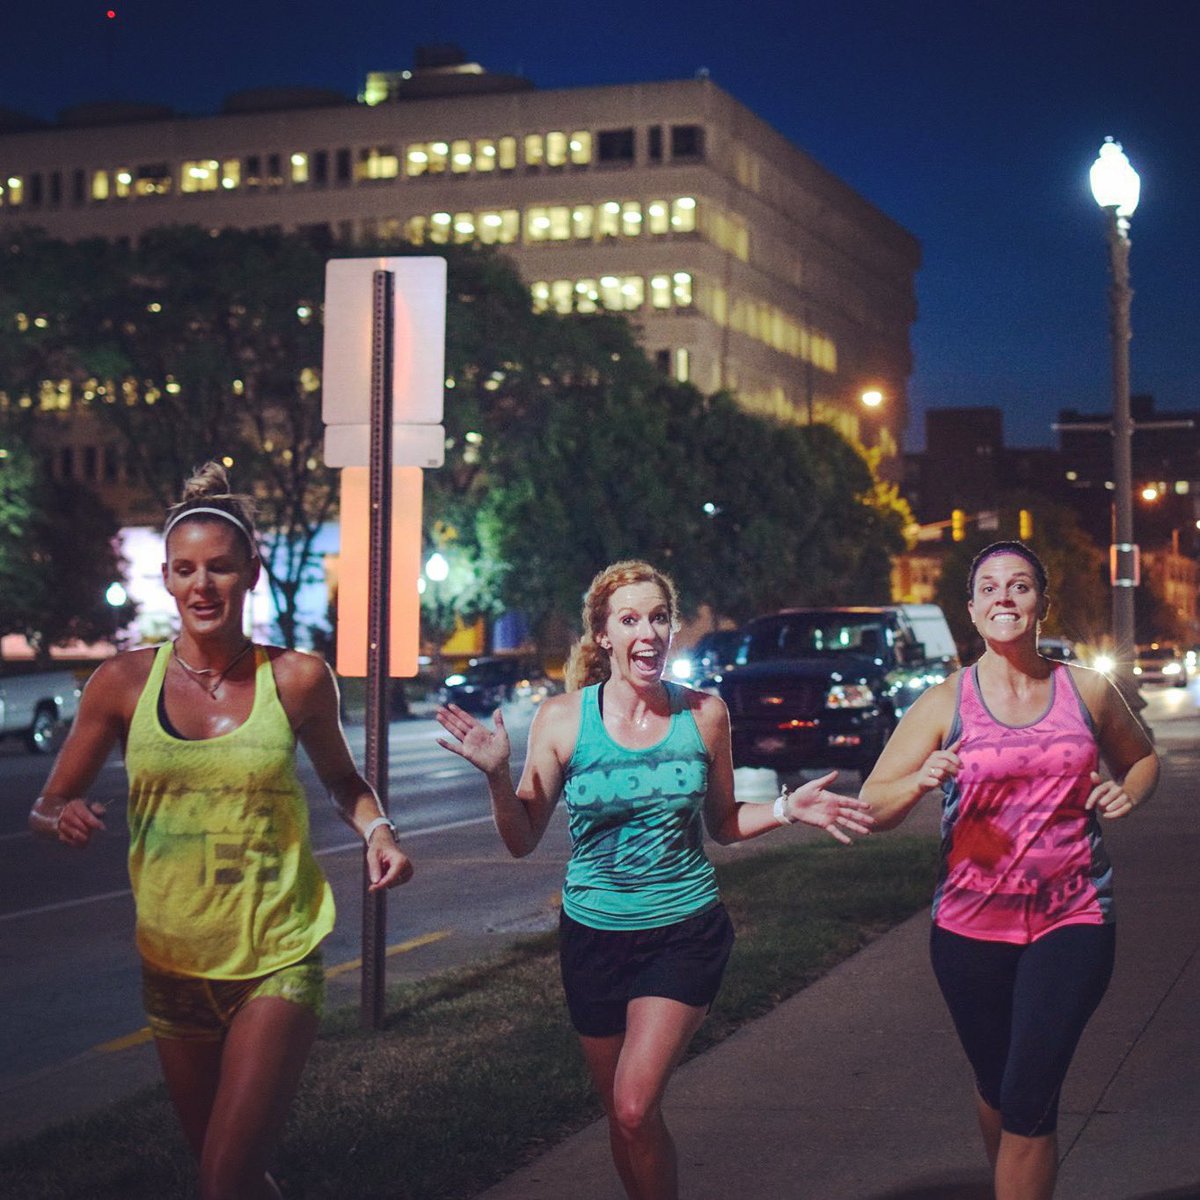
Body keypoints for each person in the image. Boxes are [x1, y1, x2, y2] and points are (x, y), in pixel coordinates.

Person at [29, 461, 413, 1200]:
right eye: (185, 570)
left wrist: (381, 833)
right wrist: (60, 817)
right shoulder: (120, 683)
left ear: (252, 574)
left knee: (221, 1179)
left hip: (277, 953)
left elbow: (344, 784)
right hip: (171, 961)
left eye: (220, 569)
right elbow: (46, 805)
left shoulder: (298, 678)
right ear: (167, 582)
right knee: (233, 1178)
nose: (203, 585)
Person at [435, 559, 872, 1200]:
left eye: (660, 617)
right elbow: (522, 838)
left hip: (683, 932)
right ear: (603, 636)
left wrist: (785, 808)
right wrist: (498, 776)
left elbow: (723, 823)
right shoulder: (562, 720)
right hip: (593, 937)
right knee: (623, 1115)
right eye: (631, 619)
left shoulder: (705, 715)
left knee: (636, 1105)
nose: (649, 632)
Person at [861, 541, 1159, 1200]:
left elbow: (1141, 758)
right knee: (998, 1088)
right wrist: (918, 780)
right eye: (990, 587)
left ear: (1040, 603)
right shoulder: (945, 702)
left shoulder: (1086, 689)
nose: (1004, 597)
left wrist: (1128, 792)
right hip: (968, 930)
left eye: (1019, 585)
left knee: (1027, 1098)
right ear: (972, 610)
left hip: (1074, 919)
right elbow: (872, 805)